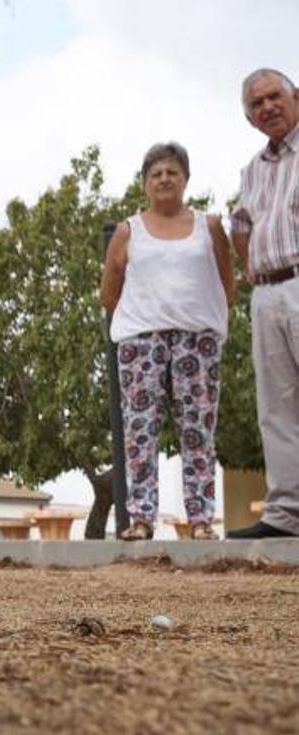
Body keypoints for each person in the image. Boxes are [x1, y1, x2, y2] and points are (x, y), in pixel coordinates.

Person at [99, 142, 234, 540]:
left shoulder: (209, 228)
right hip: (141, 341)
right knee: (140, 431)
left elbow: (228, 284)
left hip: (198, 340)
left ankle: (201, 520)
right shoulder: (128, 231)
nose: (164, 179)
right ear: (144, 184)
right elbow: (109, 292)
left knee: (198, 430)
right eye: (155, 173)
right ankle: (140, 518)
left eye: (172, 172)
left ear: (185, 179)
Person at [226, 68, 299, 539]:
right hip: (266, 292)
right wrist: (247, 259)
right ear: (251, 119)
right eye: (257, 104)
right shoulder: (252, 169)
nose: (267, 107)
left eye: (274, 96)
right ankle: (287, 513)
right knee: (276, 405)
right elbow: (241, 221)